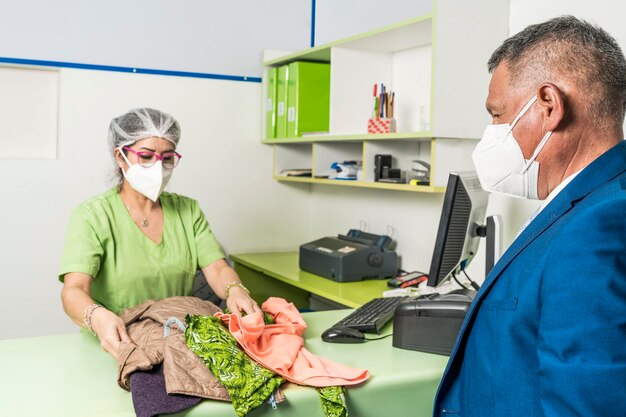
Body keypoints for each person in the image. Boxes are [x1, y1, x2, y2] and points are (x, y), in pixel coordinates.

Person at [434, 16, 626, 417]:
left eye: (497, 114)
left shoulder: (597, 227)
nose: (492, 131)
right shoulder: (588, 200)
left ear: (549, 105)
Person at [59, 108, 260, 359]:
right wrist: (97, 317)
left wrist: (235, 290)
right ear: (120, 157)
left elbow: (217, 269)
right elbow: (73, 290)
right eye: (146, 156)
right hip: (114, 343)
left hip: (176, 340)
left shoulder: (187, 210)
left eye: (167, 158)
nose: (158, 166)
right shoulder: (93, 215)